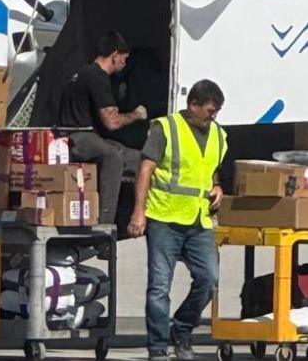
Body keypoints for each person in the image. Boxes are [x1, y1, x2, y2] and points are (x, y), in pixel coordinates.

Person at [128, 79, 227, 361]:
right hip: (164, 218)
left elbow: (211, 169)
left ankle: (181, 328)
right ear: (192, 105)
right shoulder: (167, 129)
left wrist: (217, 186)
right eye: (209, 110)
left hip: (199, 220)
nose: (213, 116)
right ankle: (158, 348)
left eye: (217, 111)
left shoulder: (219, 134)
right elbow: (145, 169)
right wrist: (139, 212)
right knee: (159, 286)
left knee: (209, 279)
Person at [57, 31, 148, 226]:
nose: (125, 62)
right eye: (124, 58)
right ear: (115, 55)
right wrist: (137, 115)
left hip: (87, 134)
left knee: (139, 158)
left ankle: (141, 215)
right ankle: (105, 223)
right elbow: (112, 122)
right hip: (77, 136)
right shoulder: (97, 77)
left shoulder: (83, 72)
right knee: (112, 157)